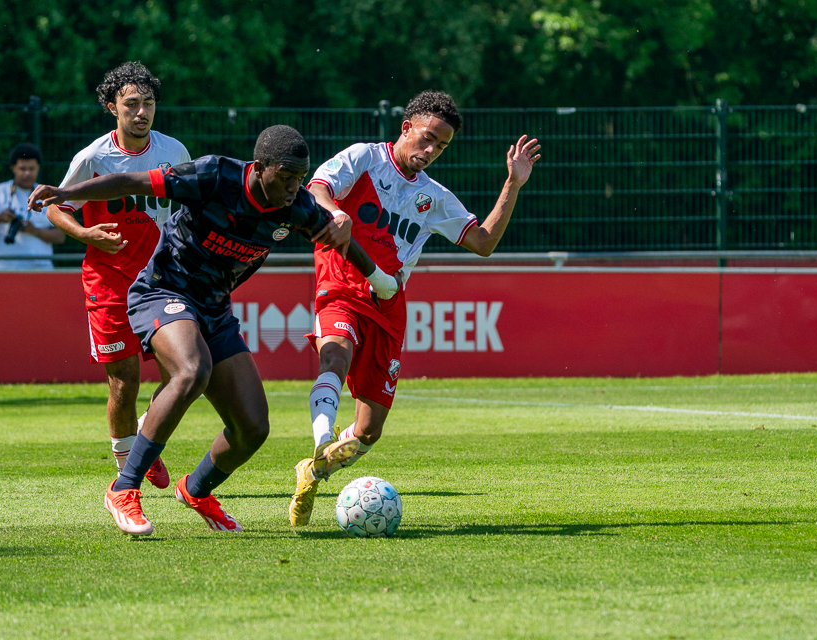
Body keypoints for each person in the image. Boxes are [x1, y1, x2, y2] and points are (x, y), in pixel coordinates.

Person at [29, 125, 399, 536]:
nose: (296, 186)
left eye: (300, 177)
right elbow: (135, 181)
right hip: (162, 290)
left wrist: (379, 278)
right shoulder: (215, 176)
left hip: (214, 309)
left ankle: (196, 489)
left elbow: (340, 239)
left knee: (253, 427)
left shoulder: (296, 207)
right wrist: (69, 194)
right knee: (191, 370)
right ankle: (123, 487)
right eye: (287, 176)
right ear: (260, 168)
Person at [288, 90, 542, 526]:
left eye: (440, 147)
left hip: (389, 305)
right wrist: (334, 213)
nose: (430, 151)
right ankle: (319, 435)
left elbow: (483, 242)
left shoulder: (433, 196)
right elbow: (316, 189)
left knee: (369, 431)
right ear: (406, 128)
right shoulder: (364, 158)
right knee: (334, 354)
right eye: (426, 139)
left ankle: (315, 469)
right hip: (342, 283)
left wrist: (512, 183)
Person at [46, 62, 190, 488]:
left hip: (163, 280)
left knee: (182, 371)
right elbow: (56, 205)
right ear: (113, 107)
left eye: (148, 103)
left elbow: (187, 208)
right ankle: (127, 470)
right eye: (131, 104)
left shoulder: (175, 152)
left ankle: (145, 433)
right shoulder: (93, 158)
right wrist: (85, 232)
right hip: (108, 283)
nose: (141, 112)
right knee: (124, 381)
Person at [0, 143, 65, 270]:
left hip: (40, 269)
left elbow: (60, 236)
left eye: (32, 169)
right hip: (1, 268)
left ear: (38, 167)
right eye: (22, 169)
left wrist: (34, 230)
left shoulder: (48, 195)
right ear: (13, 168)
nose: (27, 173)